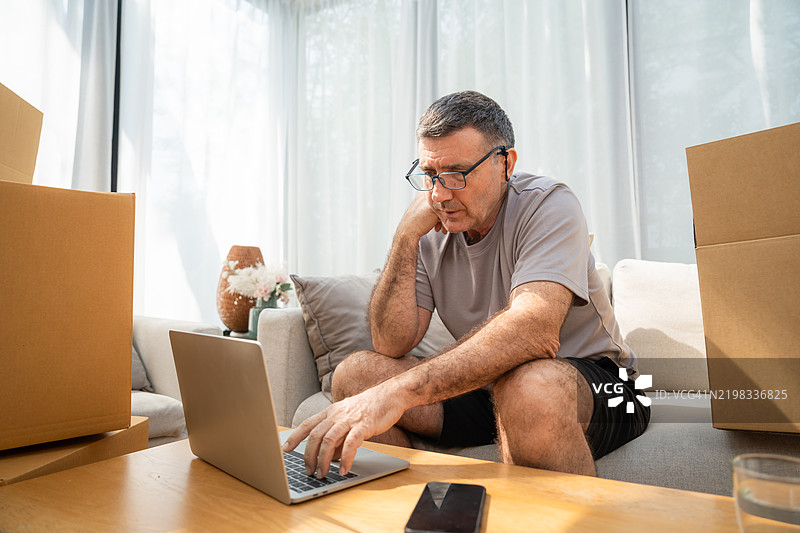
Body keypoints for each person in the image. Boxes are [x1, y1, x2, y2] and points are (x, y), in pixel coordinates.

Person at [282, 90, 649, 479]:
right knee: (355, 374)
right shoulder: (432, 225)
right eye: (430, 175)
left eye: (457, 174)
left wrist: (396, 393)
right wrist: (405, 237)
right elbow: (390, 343)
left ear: (505, 163)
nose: (439, 195)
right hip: (489, 386)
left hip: (600, 384)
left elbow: (533, 332)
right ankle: (421, 506)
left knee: (530, 389)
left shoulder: (549, 205)